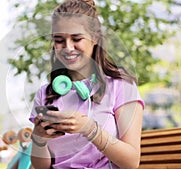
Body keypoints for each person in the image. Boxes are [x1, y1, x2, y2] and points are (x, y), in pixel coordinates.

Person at [29, 0, 145, 168]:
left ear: (95, 38)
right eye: (59, 40)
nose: (68, 48)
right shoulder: (45, 94)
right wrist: (39, 138)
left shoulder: (121, 86)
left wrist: (89, 128)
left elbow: (131, 162)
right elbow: (41, 167)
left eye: (76, 38)